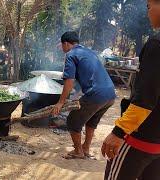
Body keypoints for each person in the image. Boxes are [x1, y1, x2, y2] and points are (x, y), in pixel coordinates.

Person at [102, 1, 160, 179]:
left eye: (149, 6)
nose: (148, 13)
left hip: (140, 137)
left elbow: (145, 98)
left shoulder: (157, 44)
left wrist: (119, 132)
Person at [53, 31, 116, 159]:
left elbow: (69, 81)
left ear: (66, 43)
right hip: (110, 94)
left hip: (96, 94)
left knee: (72, 121)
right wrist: (77, 93)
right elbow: (89, 73)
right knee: (91, 121)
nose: (62, 49)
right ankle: (85, 148)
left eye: (62, 46)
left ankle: (78, 151)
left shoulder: (70, 55)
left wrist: (60, 102)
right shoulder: (89, 52)